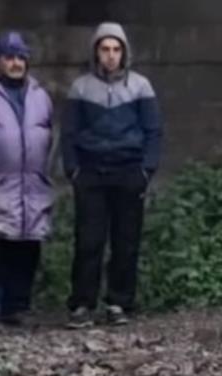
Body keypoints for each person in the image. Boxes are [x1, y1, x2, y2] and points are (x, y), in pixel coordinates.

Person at [62, 22, 164, 328]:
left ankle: (119, 302)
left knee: (126, 241)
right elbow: (68, 133)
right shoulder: (81, 87)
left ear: (124, 52)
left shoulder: (141, 86)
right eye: (104, 49)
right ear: (96, 52)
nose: (110, 55)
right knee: (88, 241)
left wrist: (146, 170)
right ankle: (82, 304)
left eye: (116, 49)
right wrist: (73, 170)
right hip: (91, 173)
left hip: (128, 171)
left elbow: (153, 131)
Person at [0, 32, 54, 326]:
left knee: (26, 248)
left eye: (21, 57)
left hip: (31, 187)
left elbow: (49, 136)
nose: (16, 63)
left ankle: (16, 307)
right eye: (9, 57)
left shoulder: (39, 95)